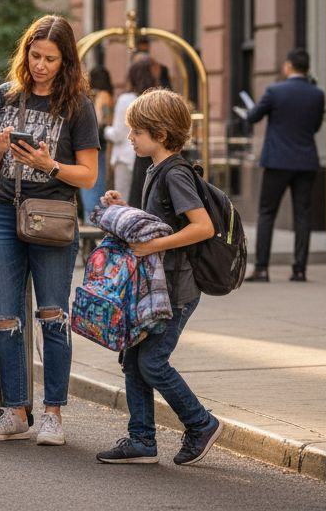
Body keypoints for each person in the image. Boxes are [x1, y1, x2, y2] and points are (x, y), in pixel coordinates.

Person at [0, 15, 99, 446]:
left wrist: (50, 165)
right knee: (6, 317)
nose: (41, 64)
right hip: (5, 212)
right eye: (35, 54)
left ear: (66, 62)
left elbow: (87, 175)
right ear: (26, 51)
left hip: (53, 213)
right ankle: (15, 412)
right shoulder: (6, 96)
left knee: (52, 314)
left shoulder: (77, 105)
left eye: (50, 58)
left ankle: (53, 415)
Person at [95, 88, 224, 467]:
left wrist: (153, 248)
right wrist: (125, 209)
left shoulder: (176, 173)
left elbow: (202, 227)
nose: (130, 138)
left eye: (136, 132)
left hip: (177, 290)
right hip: (157, 289)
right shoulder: (156, 170)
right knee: (133, 360)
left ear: (161, 134)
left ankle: (201, 423)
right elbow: (160, 221)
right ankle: (141, 440)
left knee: (151, 363)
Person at [245, 48, 326, 282]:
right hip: (306, 160)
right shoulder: (317, 94)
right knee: (303, 215)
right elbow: (316, 126)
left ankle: (262, 268)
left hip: (278, 161)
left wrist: (250, 110)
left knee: (267, 213)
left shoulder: (275, 91)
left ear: (289, 66)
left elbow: (253, 117)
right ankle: (300, 269)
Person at [103, 58, 156, 197]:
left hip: (126, 158)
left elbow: (118, 134)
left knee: (124, 204)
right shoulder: (155, 100)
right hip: (149, 158)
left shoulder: (126, 100)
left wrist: (103, 130)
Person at [81, 67, 114, 221]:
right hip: (98, 142)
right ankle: (96, 218)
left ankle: (89, 217)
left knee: (86, 178)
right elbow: (104, 120)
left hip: (85, 141)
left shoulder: (87, 96)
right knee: (97, 178)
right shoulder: (105, 95)